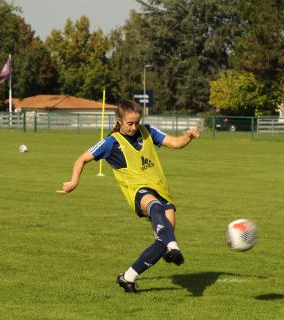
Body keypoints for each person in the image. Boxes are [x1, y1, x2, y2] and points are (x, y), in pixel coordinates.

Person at [56, 99, 199, 293]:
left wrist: (188, 136)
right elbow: (82, 159)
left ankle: (128, 277)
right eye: (130, 123)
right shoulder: (111, 143)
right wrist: (74, 181)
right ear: (120, 121)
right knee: (156, 209)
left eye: (136, 122)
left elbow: (175, 143)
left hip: (162, 189)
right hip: (138, 192)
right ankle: (174, 247)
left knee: (161, 239)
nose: (134, 127)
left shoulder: (147, 131)